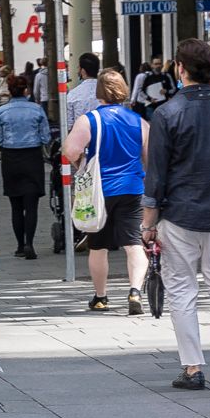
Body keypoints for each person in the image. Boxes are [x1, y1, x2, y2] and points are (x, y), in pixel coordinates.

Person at [144, 36, 210, 390]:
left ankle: (193, 367)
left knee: (181, 289)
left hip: (179, 213)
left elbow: (157, 173)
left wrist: (148, 223)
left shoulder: (167, 113)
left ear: (180, 69)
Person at [63, 66, 149, 313]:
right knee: (133, 243)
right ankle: (135, 292)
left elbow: (70, 150)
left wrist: (82, 164)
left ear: (99, 93)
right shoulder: (138, 121)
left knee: (98, 245)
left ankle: (101, 296)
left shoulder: (90, 120)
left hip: (100, 191)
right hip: (132, 188)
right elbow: (149, 156)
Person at [0, 70, 51, 260]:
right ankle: (29, 243)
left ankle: (18, 245)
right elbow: (46, 136)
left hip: (11, 158)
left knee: (15, 205)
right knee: (31, 204)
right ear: (25, 90)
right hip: (32, 157)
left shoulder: (2, 111)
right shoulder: (37, 109)